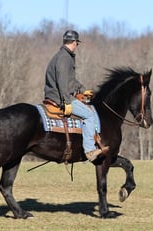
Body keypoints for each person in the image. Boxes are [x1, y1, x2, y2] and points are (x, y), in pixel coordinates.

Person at [44, 30, 109, 162]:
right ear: (74, 43)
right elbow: (62, 81)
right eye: (77, 44)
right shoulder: (64, 58)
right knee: (89, 115)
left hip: (57, 95)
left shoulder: (63, 56)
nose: (77, 46)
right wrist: (66, 101)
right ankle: (90, 150)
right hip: (59, 97)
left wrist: (83, 90)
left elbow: (70, 81)